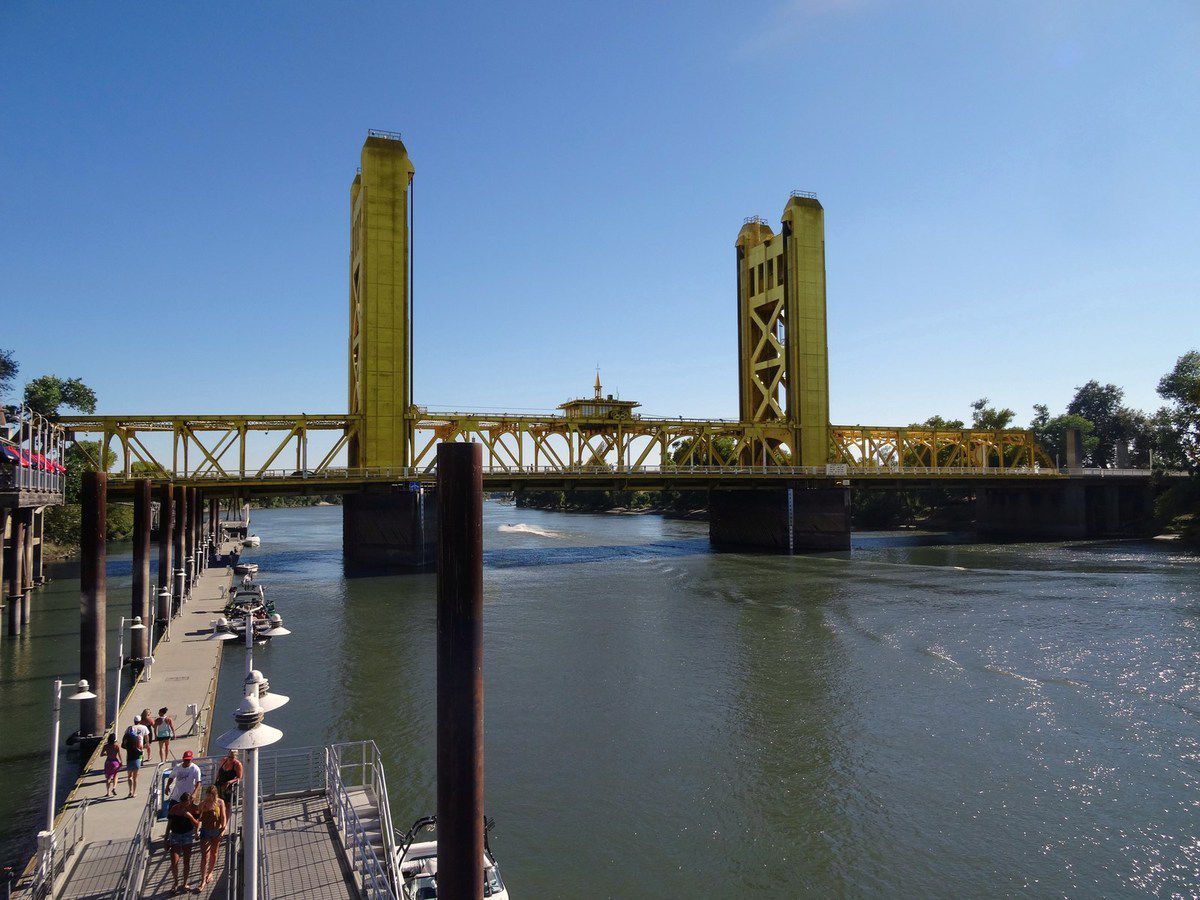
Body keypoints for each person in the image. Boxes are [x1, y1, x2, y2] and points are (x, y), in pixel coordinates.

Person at [166, 791, 201, 894]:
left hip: (187, 835)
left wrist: (189, 816)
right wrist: (166, 839)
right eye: (182, 803)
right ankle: (176, 882)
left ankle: (185, 883)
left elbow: (197, 824)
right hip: (175, 835)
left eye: (185, 804)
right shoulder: (174, 809)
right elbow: (169, 824)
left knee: (186, 860)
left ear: (189, 802)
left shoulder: (194, 808)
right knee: (174, 861)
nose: (183, 806)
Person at [196, 784, 227, 890]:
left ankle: (210, 872)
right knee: (205, 855)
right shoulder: (203, 804)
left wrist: (223, 829)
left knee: (214, 853)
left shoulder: (220, 802)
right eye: (208, 795)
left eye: (211, 795)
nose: (209, 797)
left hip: (216, 831)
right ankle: (202, 880)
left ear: (215, 795)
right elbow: (199, 818)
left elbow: (223, 816)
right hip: (205, 831)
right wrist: (196, 831)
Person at [123, 716, 150, 798]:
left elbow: (123, 743)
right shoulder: (143, 728)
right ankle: (134, 792)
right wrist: (147, 743)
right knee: (135, 777)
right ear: (140, 721)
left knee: (129, 776)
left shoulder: (130, 730)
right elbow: (146, 737)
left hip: (129, 757)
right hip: (138, 754)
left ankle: (130, 791)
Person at [101, 733, 122, 797]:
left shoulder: (106, 746)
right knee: (115, 775)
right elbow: (119, 755)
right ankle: (114, 787)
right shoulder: (116, 746)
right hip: (115, 762)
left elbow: (101, 754)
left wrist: (106, 754)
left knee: (108, 778)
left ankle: (108, 792)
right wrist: (121, 762)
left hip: (108, 762)